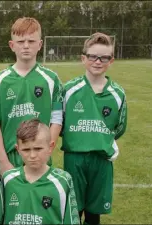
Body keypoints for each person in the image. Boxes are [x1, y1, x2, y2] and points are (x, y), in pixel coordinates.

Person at [61, 32, 127, 225]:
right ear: (84, 58)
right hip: (75, 158)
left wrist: (101, 139)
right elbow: (60, 122)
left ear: (111, 60)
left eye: (104, 57)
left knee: (93, 212)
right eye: (93, 56)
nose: (98, 61)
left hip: (101, 160)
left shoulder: (117, 94)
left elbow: (120, 127)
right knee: (74, 210)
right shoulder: (69, 90)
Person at [0, 17, 64, 178]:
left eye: (31, 41)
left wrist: (46, 152)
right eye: (21, 41)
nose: (26, 46)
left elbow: (57, 119)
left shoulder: (51, 79)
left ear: (40, 44)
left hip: (40, 158)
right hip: (11, 158)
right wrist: (2, 161)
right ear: (12, 45)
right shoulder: (1, 80)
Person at [3, 118, 80, 225]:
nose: (32, 155)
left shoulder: (62, 181)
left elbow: (71, 220)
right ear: (18, 149)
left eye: (38, 149)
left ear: (50, 147)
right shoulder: (8, 179)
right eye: (26, 150)